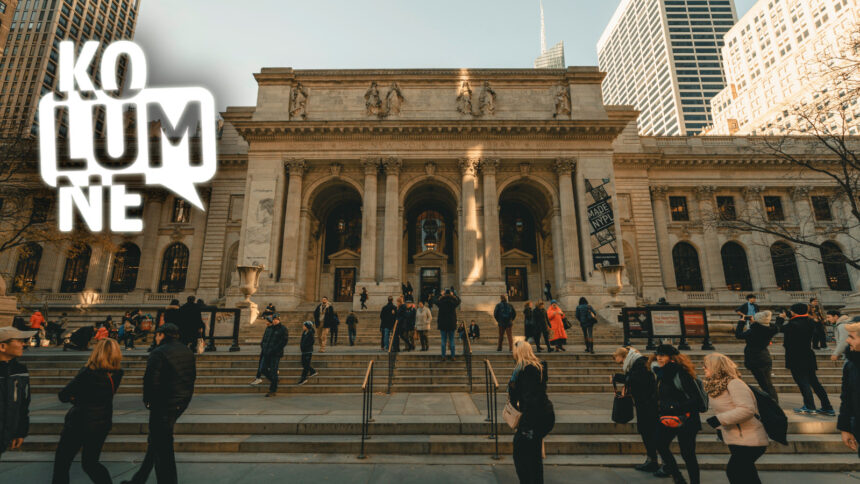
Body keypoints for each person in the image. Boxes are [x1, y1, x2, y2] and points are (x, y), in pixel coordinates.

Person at [121, 323, 196, 484]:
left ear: (162, 335)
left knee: (163, 447)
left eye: (157, 334)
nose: (155, 337)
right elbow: (192, 377)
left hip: (163, 404)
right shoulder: (187, 350)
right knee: (157, 441)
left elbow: (150, 382)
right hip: (180, 402)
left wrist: (148, 402)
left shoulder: (159, 352)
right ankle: (139, 479)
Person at [52, 339, 124, 484]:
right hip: (101, 423)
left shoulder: (87, 373)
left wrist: (76, 399)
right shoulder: (117, 374)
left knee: (62, 461)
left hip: (79, 422)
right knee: (90, 463)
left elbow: (64, 395)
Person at [702, 353, 769, 484]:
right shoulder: (717, 386)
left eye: (706, 365)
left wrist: (719, 419)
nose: (703, 368)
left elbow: (747, 409)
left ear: (717, 367)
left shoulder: (734, 384)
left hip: (750, 439)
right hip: (737, 438)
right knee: (748, 474)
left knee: (734, 472)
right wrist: (721, 427)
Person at [651, 344, 701, 484]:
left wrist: (676, 406)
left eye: (662, 355)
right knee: (659, 444)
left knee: (688, 454)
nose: (659, 358)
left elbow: (695, 398)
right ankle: (678, 477)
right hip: (669, 418)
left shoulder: (681, 373)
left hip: (687, 419)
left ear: (671, 358)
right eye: (658, 355)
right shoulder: (661, 373)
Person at [508, 340, 553, 484]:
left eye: (514, 351)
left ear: (519, 352)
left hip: (533, 418)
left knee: (521, 455)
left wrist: (527, 426)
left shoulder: (525, 371)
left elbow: (529, 398)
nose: (512, 354)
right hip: (545, 415)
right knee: (534, 456)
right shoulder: (537, 367)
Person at [776, 304, 834, 415]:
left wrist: (780, 318)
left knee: (803, 382)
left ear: (793, 312)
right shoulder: (810, 322)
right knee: (815, 382)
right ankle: (827, 406)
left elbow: (778, 328)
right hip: (808, 355)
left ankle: (809, 406)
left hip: (796, 356)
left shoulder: (793, 324)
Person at [612, 346, 658, 472]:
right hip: (643, 403)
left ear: (623, 356)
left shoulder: (639, 363)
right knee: (645, 431)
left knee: (648, 431)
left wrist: (618, 377)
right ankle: (652, 459)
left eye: (621, 361)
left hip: (648, 404)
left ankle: (654, 461)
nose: (621, 364)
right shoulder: (636, 362)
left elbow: (636, 380)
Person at [0, 326, 34, 461]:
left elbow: (24, 404)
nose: (23, 344)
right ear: (3, 346)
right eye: (19, 341)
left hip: (5, 435)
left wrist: (20, 432)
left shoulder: (21, 370)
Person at [734, 310, 779, 403]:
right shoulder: (770, 329)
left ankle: (773, 404)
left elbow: (738, 335)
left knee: (765, 385)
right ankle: (773, 402)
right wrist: (756, 322)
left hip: (755, 360)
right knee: (767, 384)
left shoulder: (754, 331)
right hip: (765, 358)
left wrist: (741, 322)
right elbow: (772, 326)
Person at [837, 321, 860, 458]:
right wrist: (845, 428)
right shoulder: (851, 365)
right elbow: (847, 398)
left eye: (852, 337)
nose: (847, 340)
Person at [259, 315, 288, 397]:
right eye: (274, 319)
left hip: (275, 354)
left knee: (273, 371)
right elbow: (264, 339)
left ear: (279, 320)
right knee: (263, 369)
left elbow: (283, 341)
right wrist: (263, 347)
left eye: (276, 319)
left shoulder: (283, 329)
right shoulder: (269, 328)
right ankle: (274, 381)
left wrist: (274, 349)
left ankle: (272, 390)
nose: (275, 321)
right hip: (266, 352)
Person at [436, 289, 460, 361]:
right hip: (451, 324)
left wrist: (441, 295)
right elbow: (459, 301)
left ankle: (443, 356)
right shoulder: (453, 302)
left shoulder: (441, 302)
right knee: (452, 340)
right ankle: (453, 356)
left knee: (443, 341)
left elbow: (435, 300)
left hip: (443, 324)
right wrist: (454, 295)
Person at [297, 321, 318, 385]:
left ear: (307, 326)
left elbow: (312, 341)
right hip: (304, 351)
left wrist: (306, 346)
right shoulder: (304, 332)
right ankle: (312, 371)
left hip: (308, 351)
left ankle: (303, 378)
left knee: (306, 365)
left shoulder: (310, 332)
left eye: (304, 326)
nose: (303, 327)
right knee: (304, 363)